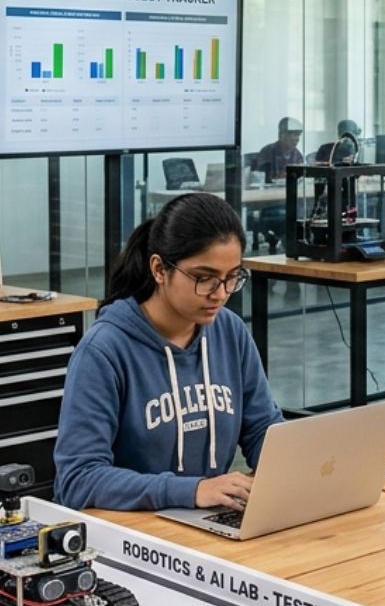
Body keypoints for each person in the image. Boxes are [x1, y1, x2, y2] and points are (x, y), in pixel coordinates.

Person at [54, 192, 284, 511]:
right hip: (130, 537)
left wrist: (295, 470)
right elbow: (77, 480)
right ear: (160, 269)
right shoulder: (104, 351)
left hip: (202, 522)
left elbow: (262, 428)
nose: (220, 294)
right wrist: (189, 491)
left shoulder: (229, 331)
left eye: (232, 278)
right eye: (203, 279)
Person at [245, 116, 304, 250]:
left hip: (291, 199)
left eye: (298, 135)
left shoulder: (297, 155)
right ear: (281, 135)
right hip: (270, 203)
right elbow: (258, 179)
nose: (296, 139)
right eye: (292, 134)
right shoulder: (268, 152)